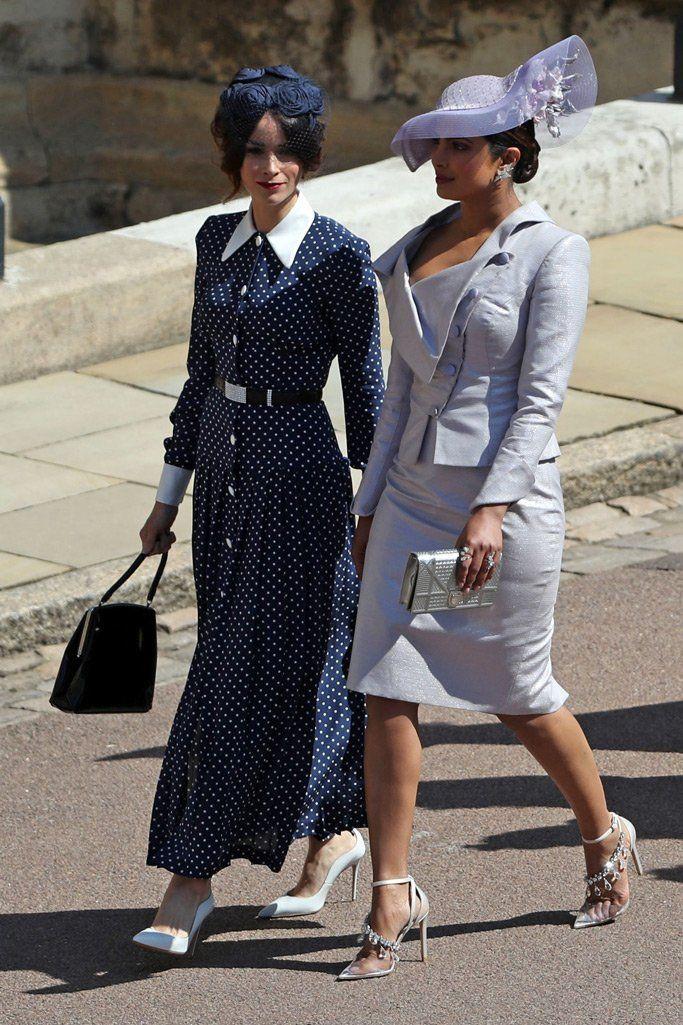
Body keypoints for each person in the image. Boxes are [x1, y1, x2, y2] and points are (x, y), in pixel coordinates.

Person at [339, 36, 643, 982]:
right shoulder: (411, 251)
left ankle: (602, 834)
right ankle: (391, 893)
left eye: (455, 147)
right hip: (412, 501)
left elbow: (540, 399)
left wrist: (492, 510)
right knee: (385, 686)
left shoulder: (554, 252)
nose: (437, 160)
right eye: (433, 145)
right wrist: (369, 498)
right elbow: (396, 392)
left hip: (499, 512)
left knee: (517, 694)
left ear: (507, 152)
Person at [131, 64, 385, 957]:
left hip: (303, 483)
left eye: (283, 149)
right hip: (224, 485)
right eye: (250, 148)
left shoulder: (340, 256)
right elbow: (199, 378)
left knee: (255, 670)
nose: (267, 165)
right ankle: (336, 831)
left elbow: (368, 401)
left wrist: (378, 516)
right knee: (258, 661)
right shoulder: (212, 241)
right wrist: (167, 495)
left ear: (308, 155)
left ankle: (189, 877)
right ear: (230, 153)